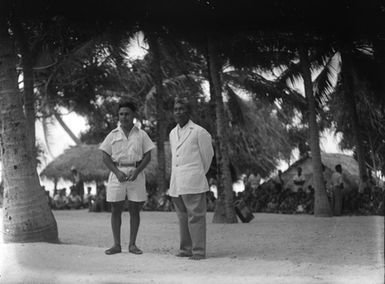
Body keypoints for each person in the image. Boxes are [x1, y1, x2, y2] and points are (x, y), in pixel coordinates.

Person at [99, 101, 155, 255]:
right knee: (115, 209)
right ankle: (116, 245)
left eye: (127, 114)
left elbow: (148, 156)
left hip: (136, 173)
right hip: (117, 173)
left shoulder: (141, 134)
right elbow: (105, 156)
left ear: (133, 115)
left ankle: (132, 244)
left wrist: (137, 171)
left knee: (134, 209)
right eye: (121, 114)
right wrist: (116, 172)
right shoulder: (112, 134)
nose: (124, 117)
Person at [169, 97, 214, 260]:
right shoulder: (172, 133)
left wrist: (197, 173)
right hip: (177, 181)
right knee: (182, 217)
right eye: (175, 109)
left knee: (196, 216)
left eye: (181, 109)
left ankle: (198, 251)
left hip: (193, 180)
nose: (178, 112)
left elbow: (207, 157)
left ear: (188, 111)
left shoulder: (199, 132)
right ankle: (186, 249)